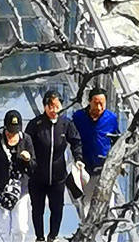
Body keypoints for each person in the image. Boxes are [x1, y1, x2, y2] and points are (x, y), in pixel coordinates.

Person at [25, 92, 83, 242]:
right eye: (50, 106)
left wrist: (78, 158)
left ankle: (53, 236)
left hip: (58, 176)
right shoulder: (36, 124)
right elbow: (26, 143)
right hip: (38, 175)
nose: (54, 110)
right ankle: (39, 237)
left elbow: (76, 142)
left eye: (57, 106)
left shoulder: (66, 124)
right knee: (37, 209)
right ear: (45, 106)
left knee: (57, 208)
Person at [0, 110, 35, 242]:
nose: (12, 136)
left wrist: (28, 160)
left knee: (20, 228)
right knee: (1, 228)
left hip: (20, 189)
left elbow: (33, 168)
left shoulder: (26, 139)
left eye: (15, 132)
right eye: (9, 132)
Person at [72, 89, 119, 219]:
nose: (99, 107)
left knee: (109, 206)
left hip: (105, 169)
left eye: (102, 103)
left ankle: (108, 236)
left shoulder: (111, 118)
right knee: (86, 204)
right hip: (85, 169)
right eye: (96, 103)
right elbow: (73, 139)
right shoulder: (78, 117)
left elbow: (117, 141)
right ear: (89, 102)